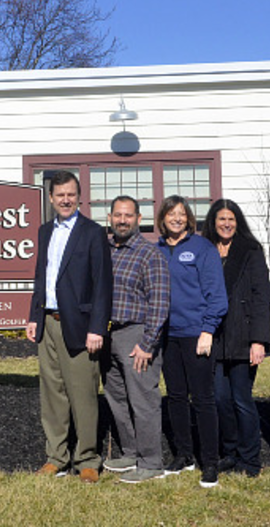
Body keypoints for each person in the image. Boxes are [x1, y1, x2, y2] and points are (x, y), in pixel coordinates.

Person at [26, 171, 113, 484]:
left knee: (83, 395)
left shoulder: (92, 232)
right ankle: (57, 457)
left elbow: (103, 284)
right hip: (48, 321)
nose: (65, 200)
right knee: (52, 394)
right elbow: (42, 277)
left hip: (79, 325)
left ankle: (87, 459)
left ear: (79, 197)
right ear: (51, 198)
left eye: (71, 194)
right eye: (59, 195)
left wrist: (97, 328)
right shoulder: (45, 231)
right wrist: (34, 317)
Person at [155, 195, 228, 488]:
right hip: (167, 336)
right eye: (171, 213)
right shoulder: (156, 250)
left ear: (189, 219)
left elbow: (217, 295)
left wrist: (208, 330)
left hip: (196, 335)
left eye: (181, 214)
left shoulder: (202, 248)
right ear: (162, 218)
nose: (176, 218)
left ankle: (209, 462)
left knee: (203, 399)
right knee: (175, 397)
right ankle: (184, 455)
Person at [100, 195, 171, 484]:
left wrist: (148, 343)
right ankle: (131, 452)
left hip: (137, 334)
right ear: (110, 218)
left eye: (128, 215)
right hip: (108, 334)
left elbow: (160, 302)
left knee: (143, 400)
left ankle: (152, 462)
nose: (122, 220)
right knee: (117, 398)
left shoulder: (149, 254)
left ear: (139, 219)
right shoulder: (105, 250)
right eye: (117, 215)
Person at [203, 199, 270, 478]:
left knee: (242, 399)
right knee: (220, 399)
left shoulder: (251, 250)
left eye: (231, 219)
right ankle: (230, 452)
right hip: (215, 336)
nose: (226, 224)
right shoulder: (206, 249)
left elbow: (261, 298)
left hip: (244, 337)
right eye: (221, 219)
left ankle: (250, 459)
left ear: (238, 221)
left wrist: (259, 341)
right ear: (213, 221)